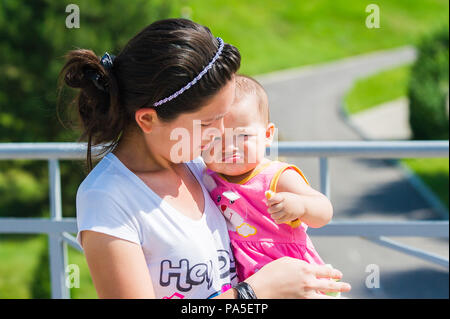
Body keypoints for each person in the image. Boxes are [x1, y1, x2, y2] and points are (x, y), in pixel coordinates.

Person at [59, 18, 351, 299]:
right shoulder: (107, 197)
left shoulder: (203, 169)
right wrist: (254, 293)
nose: (222, 135)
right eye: (209, 122)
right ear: (148, 119)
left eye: (226, 118)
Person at [201, 75, 340, 296]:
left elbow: (325, 211)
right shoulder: (207, 177)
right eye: (215, 138)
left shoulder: (275, 176)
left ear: (267, 135)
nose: (229, 147)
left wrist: (301, 205)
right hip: (245, 281)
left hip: (292, 275)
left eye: (243, 135)